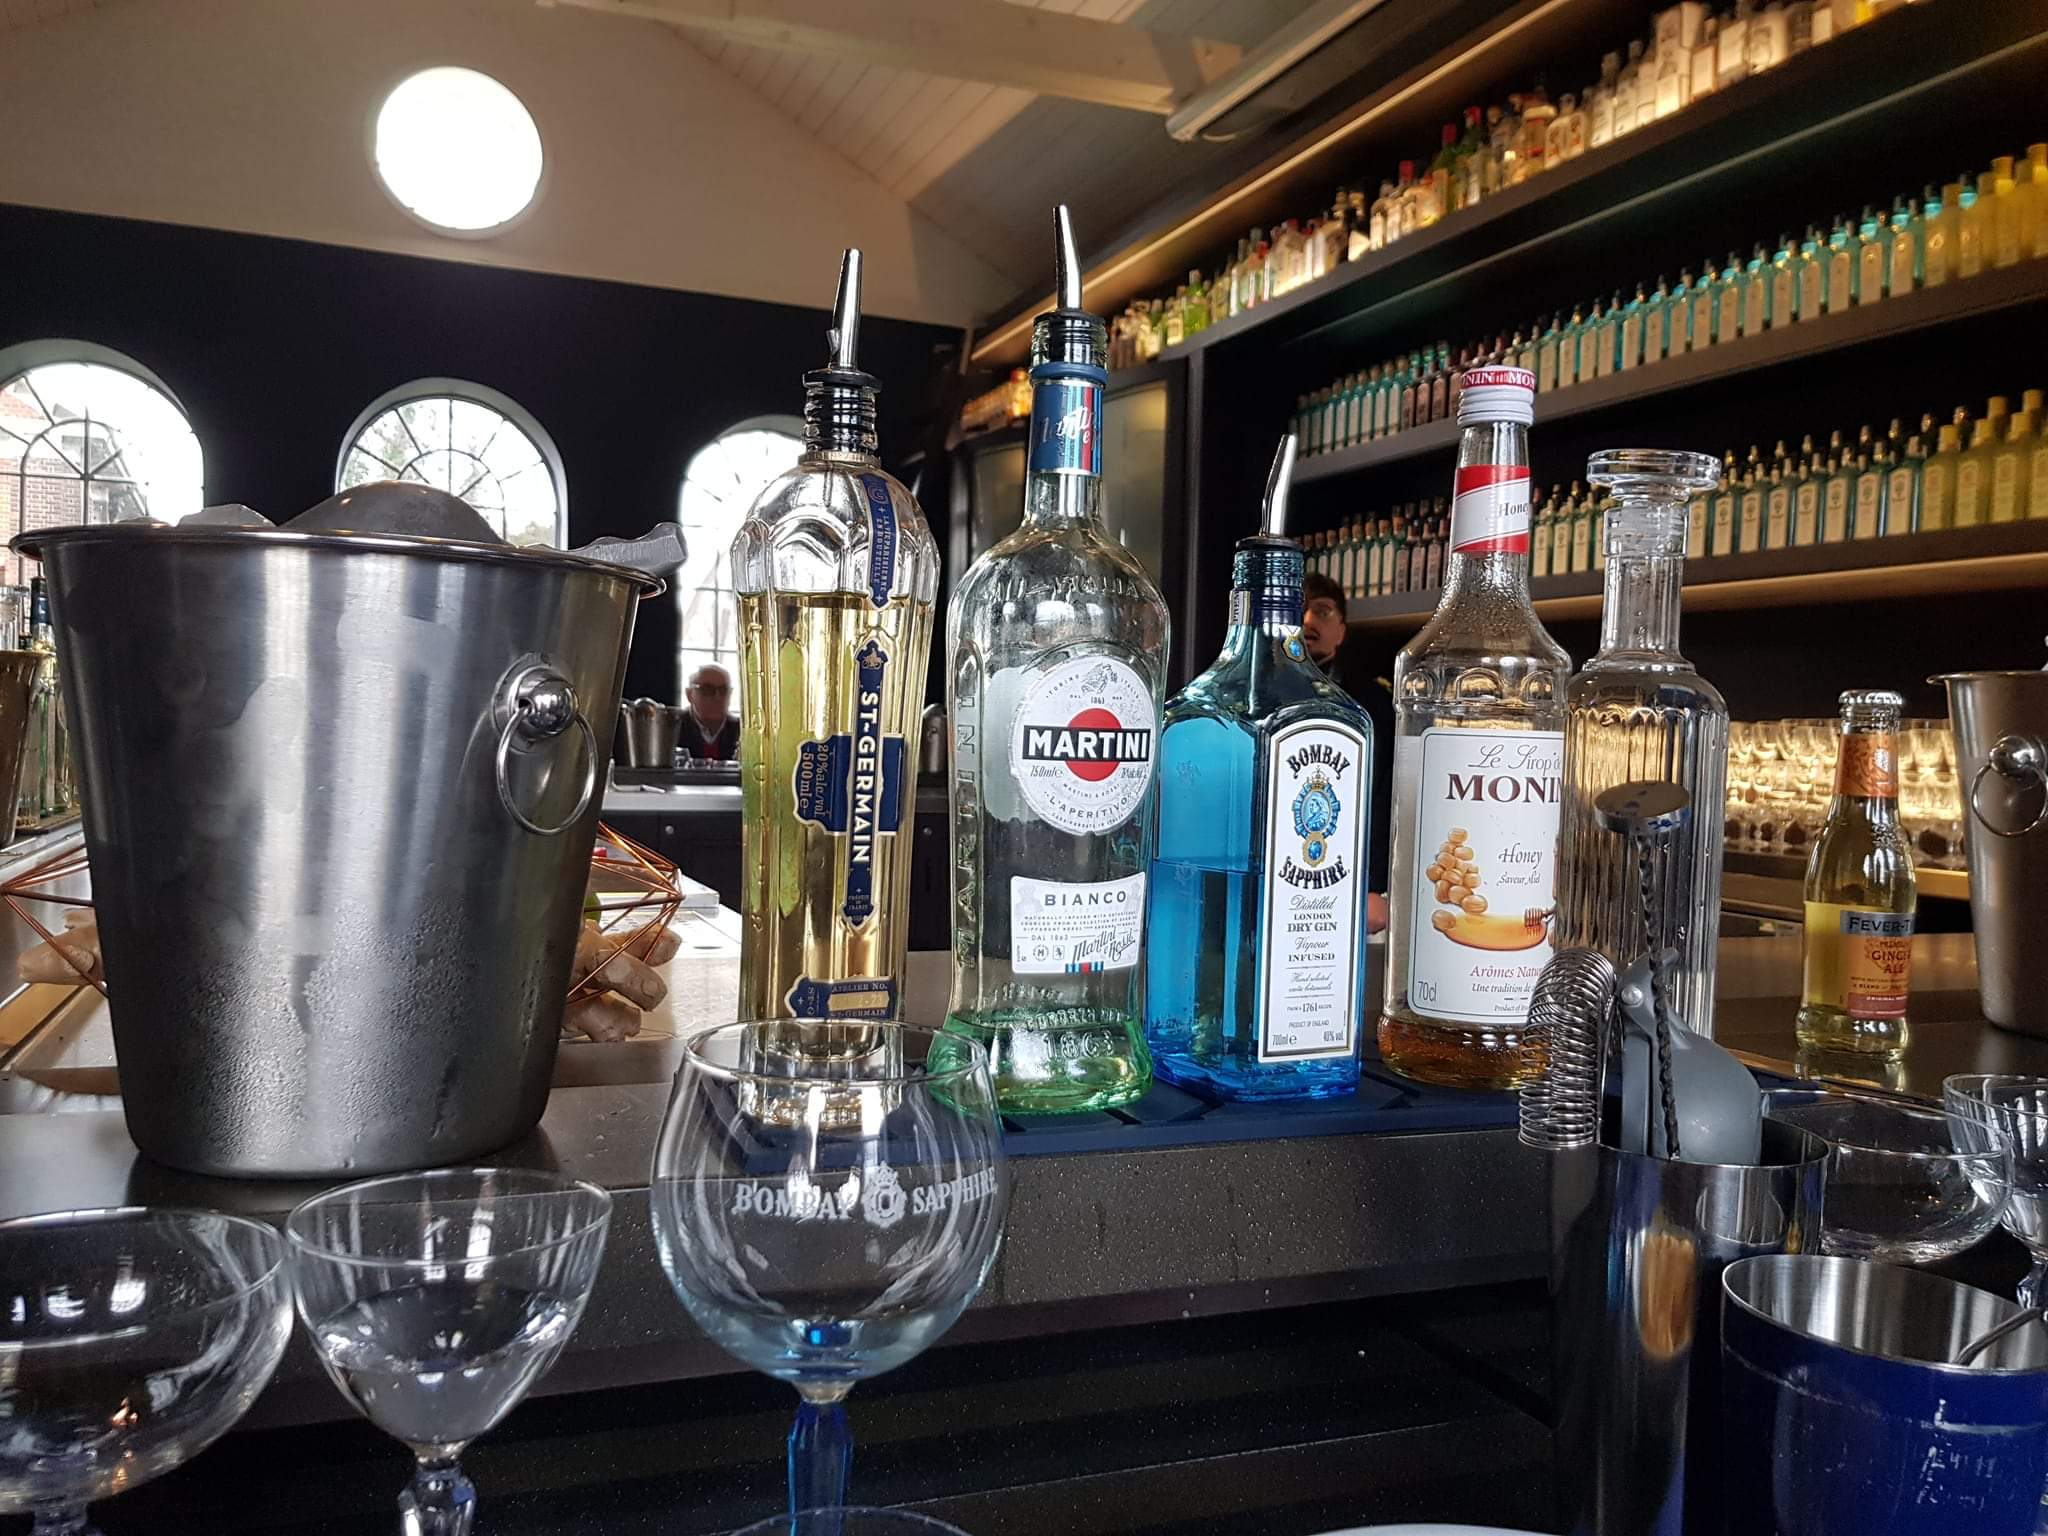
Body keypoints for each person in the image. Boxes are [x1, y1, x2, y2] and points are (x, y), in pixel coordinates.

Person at [1300, 571, 1391, 933]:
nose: (1308, 620)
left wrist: (1372, 886)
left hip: (1350, 882)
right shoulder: (1256, 694)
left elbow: (1384, 799)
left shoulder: (1374, 704)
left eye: (1322, 611)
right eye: (1299, 609)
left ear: (1341, 629)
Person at [678, 663, 740, 761]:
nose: (717, 697)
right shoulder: (672, 728)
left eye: (723, 690)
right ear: (689, 694)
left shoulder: (742, 730)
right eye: (707, 690)